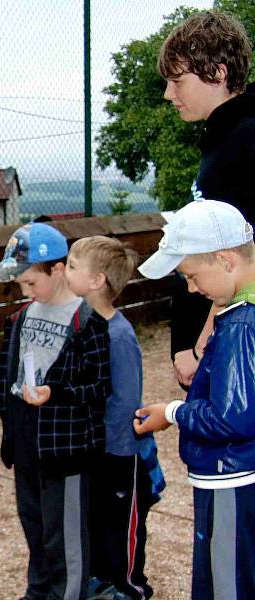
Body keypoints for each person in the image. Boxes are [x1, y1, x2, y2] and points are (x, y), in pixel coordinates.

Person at [134, 199, 255, 600]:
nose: (191, 288)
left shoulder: (240, 325)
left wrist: (172, 411)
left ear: (225, 261)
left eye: (191, 275)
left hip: (231, 477)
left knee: (226, 584)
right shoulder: (242, 309)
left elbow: (230, 418)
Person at [0, 223, 111, 600]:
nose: (25, 292)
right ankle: (37, 592)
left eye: (30, 283)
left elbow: (99, 387)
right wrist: (11, 432)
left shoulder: (87, 322)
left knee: (65, 537)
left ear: (57, 270)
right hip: (26, 445)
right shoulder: (19, 319)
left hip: (65, 451)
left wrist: (55, 393)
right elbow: (4, 380)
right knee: (36, 528)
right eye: (21, 286)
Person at [64, 236, 166, 600]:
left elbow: (126, 400)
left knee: (121, 524)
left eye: (73, 266)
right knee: (95, 519)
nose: (65, 270)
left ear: (97, 281)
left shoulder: (119, 336)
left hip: (121, 454)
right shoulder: (81, 323)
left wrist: (117, 451)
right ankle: (100, 578)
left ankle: (129, 585)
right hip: (93, 448)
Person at [158, 9, 255, 389]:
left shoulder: (244, 142)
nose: (169, 94)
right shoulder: (223, 137)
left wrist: (198, 348)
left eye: (177, 81)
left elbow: (242, 260)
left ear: (217, 73)